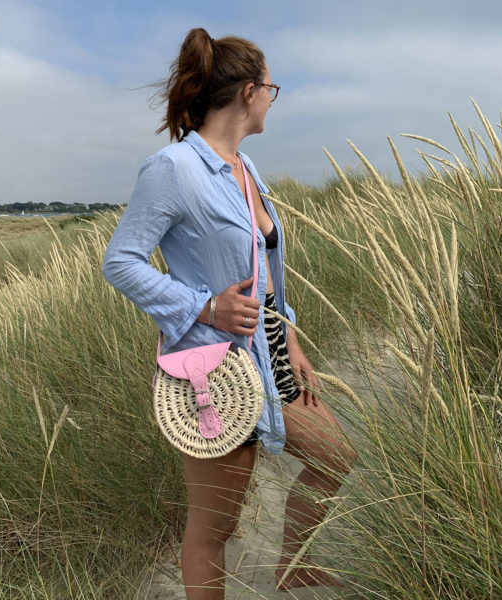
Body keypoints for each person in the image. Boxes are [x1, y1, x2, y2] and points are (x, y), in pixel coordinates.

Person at [102, 27, 357, 599]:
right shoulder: (173, 168)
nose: (273, 97)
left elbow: (263, 267)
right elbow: (120, 261)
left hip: (270, 348)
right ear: (248, 92)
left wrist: (290, 336)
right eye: (271, 87)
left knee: (337, 456)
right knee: (214, 527)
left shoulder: (246, 167)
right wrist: (203, 305)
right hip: (216, 368)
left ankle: (293, 568)